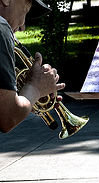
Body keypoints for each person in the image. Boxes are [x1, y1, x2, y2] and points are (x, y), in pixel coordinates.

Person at [0, 0, 65, 133]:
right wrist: (35, 89)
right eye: (25, 11)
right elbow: (7, 118)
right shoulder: (1, 27)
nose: (22, 26)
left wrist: (26, 93)